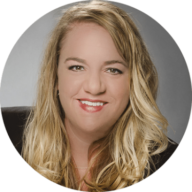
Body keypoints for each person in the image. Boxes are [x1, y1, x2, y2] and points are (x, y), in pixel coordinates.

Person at [21, 0, 179, 191]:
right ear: (54, 77)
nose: (94, 87)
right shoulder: (13, 136)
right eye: (77, 67)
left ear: (134, 81)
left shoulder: (165, 161)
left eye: (113, 70)